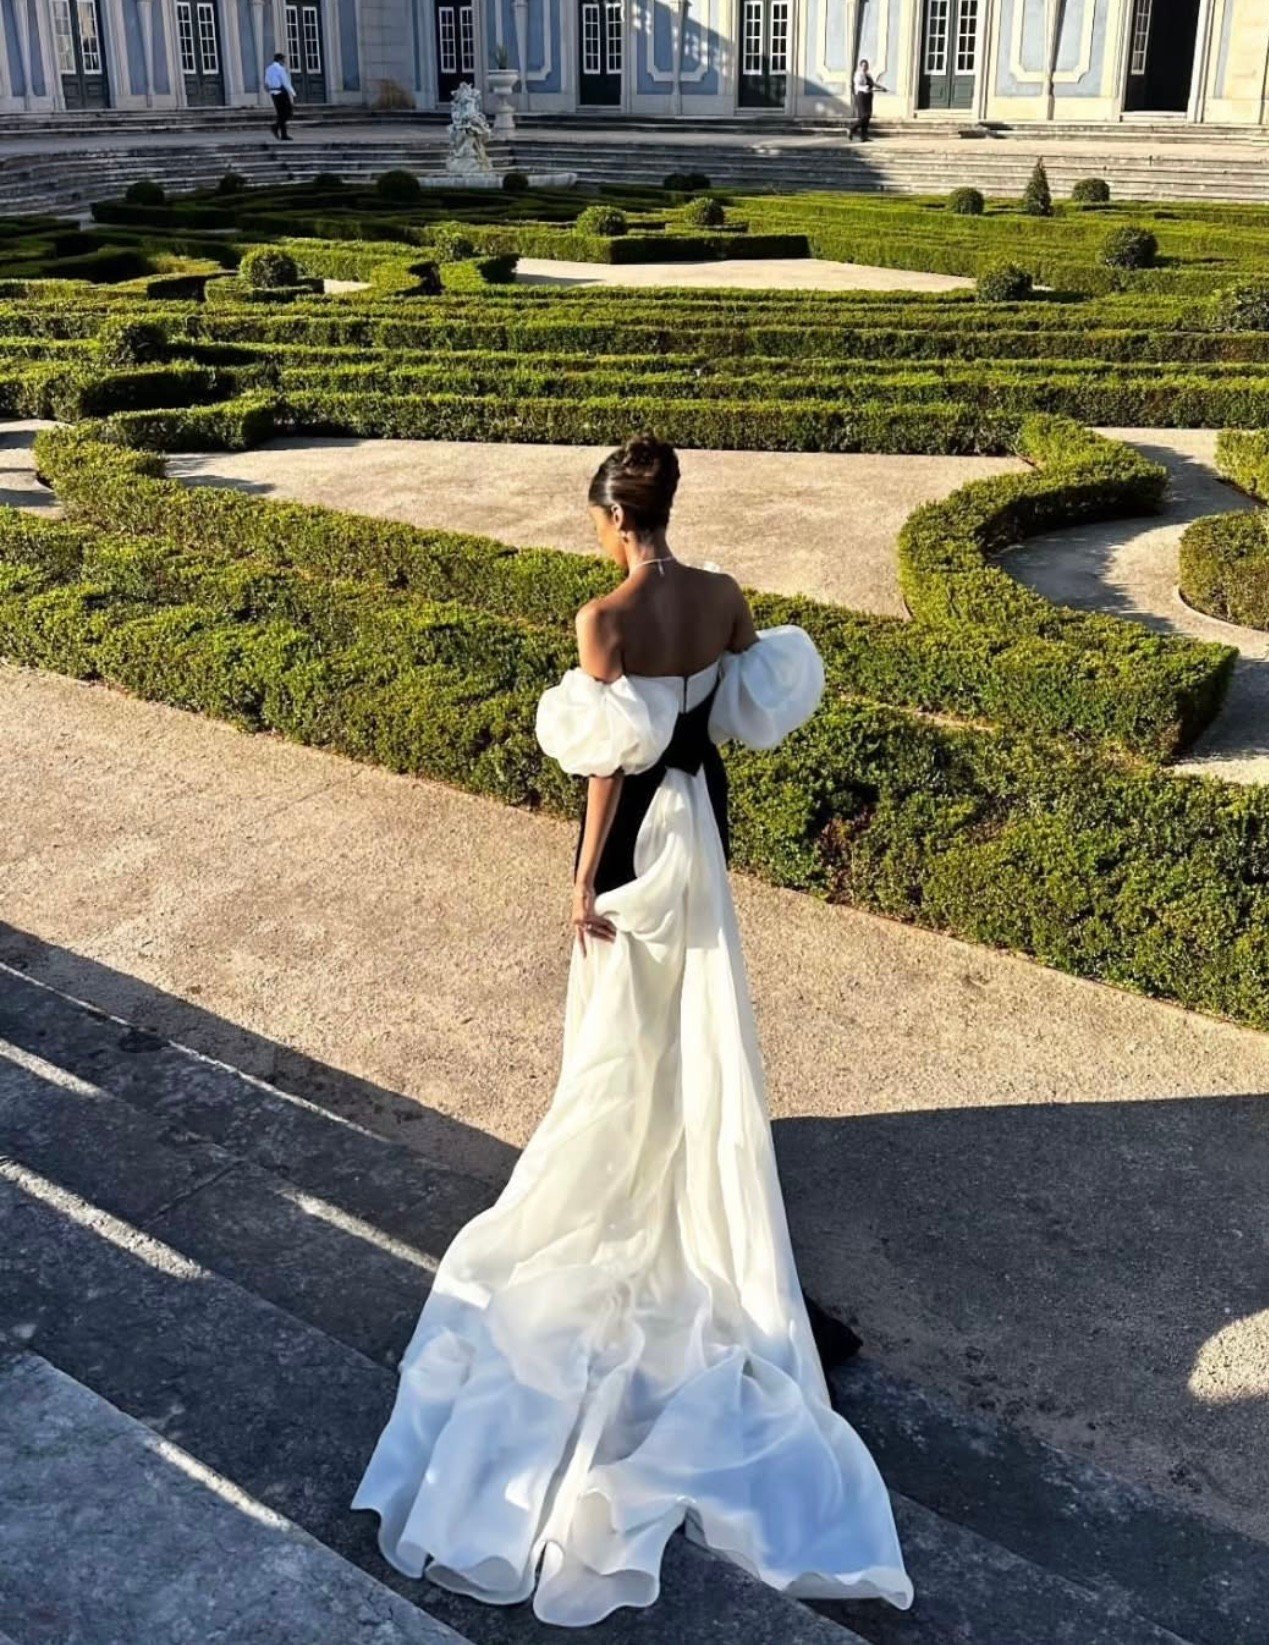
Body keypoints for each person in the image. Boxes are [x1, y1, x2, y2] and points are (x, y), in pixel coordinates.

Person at [350, 434, 914, 1628]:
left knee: (619, 1031)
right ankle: (700, 1178)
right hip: (700, 828)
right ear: (669, 508)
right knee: (699, 1018)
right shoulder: (723, 594)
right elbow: (746, 703)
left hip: (635, 841)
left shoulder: (602, 617)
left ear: (613, 518)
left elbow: (608, 768)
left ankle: (628, 1172)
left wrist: (581, 881)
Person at [264, 52, 295, 141]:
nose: (284, 62)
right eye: (283, 60)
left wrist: (270, 89)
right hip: (281, 92)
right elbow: (285, 82)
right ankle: (276, 127)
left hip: (273, 93)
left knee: (280, 113)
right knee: (288, 112)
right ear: (280, 60)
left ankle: (283, 134)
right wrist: (293, 93)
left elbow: (266, 82)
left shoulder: (268, 69)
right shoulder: (280, 69)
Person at [848, 58, 879, 141]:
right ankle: (852, 129)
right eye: (864, 66)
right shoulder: (858, 74)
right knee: (864, 116)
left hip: (868, 96)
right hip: (861, 95)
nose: (865, 67)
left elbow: (873, 83)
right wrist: (866, 88)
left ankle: (863, 136)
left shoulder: (868, 75)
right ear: (860, 66)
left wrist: (882, 88)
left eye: (866, 66)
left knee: (868, 116)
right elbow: (858, 86)